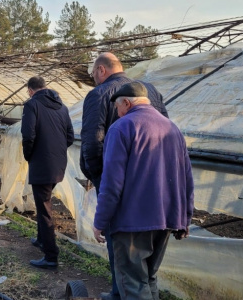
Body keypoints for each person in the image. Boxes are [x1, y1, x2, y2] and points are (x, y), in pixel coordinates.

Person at [93, 82, 194, 300]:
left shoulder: (122, 128)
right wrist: (185, 218)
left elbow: (111, 184)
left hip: (132, 223)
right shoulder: (172, 128)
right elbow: (186, 178)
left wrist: (100, 222)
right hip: (166, 220)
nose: (118, 114)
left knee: (133, 282)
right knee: (148, 278)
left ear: (127, 103)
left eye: (118, 109)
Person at [80, 52, 168, 300]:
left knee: (119, 240)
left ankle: (121, 293)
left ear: (101, 70)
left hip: (117, 180)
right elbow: (163, 134)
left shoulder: (99, 95)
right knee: (145, 259)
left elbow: (91, 143)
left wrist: (99, 178)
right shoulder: (150, 90)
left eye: (93, 74)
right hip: (152, 183)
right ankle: (125, 292)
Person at [21, 76, 74, 269]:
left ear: (30, 90)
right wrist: (56, 152)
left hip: (41, 164)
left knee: (44, 208)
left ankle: (51, 256)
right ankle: (41, 239)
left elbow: (28, 135)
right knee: (44, 200)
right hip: (58, 164)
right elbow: (69, 136)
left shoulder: (32, 105)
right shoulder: (62, 107)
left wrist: (30, 155)